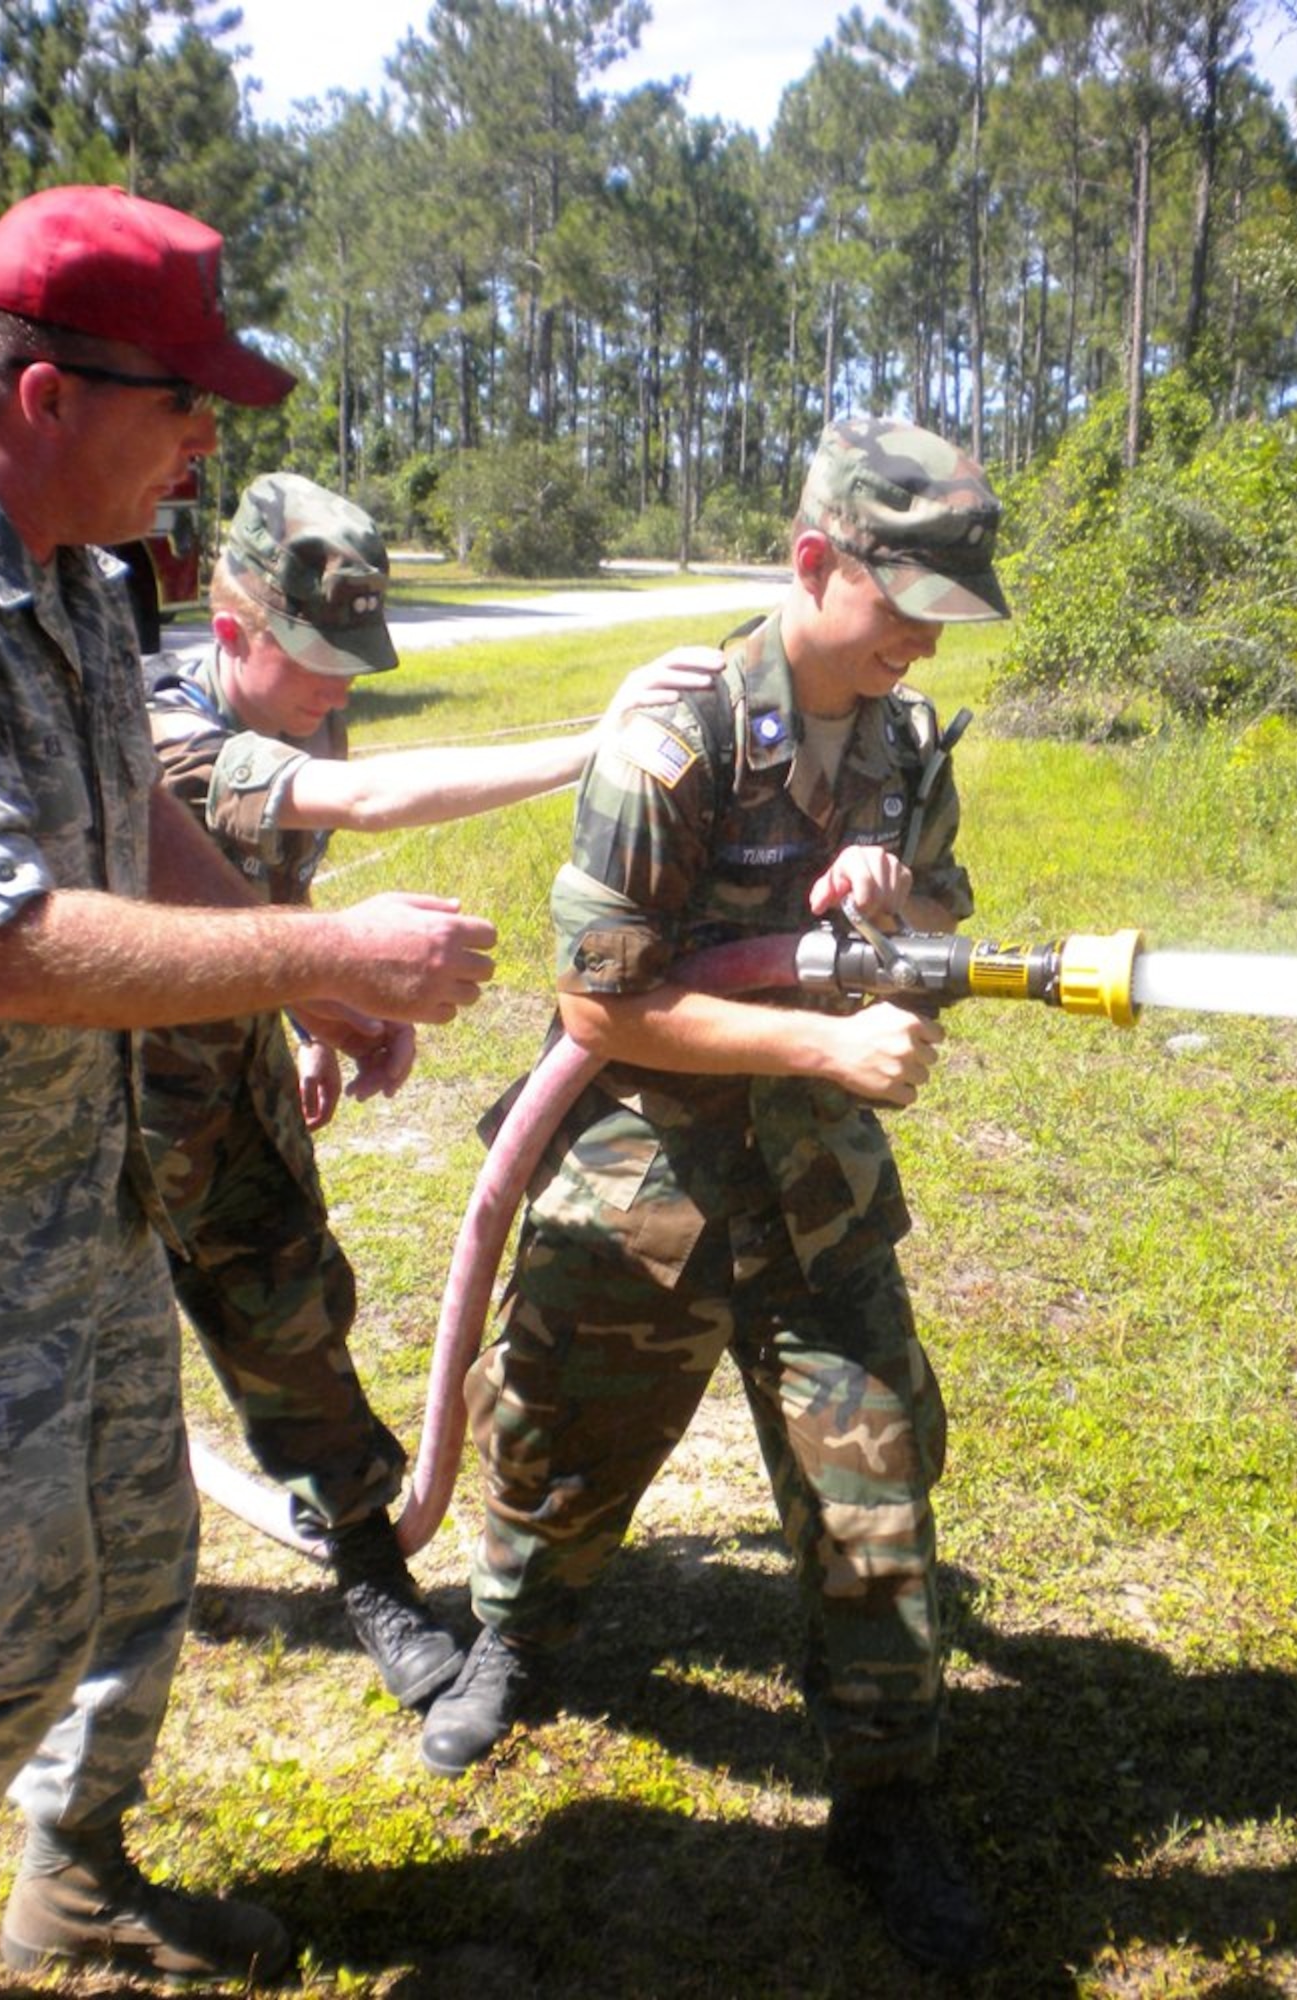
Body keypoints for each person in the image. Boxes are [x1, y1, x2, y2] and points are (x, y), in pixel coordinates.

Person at [0, 184, 495, 1984]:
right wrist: (320, 954)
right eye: (187, 403)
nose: (209, 445)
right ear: (50, 395)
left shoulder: (73, 575)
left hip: (84, 1192)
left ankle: (75, 1878)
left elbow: (135, 813)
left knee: (140, 1577)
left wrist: (283, 995)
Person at [419, 417, 1008, 1978]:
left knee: (870, 1498)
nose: (921, 640)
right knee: (555, 1448)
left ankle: (886, 1802)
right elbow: (604, 1006)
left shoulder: (905, 740)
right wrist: (824, 1033)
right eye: (905, 604)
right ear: (815, 563)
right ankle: (514, 1648)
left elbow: (946, 913)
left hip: (815, 1189)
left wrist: (900, 901)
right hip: (643, 1178)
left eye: (948, 613)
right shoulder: (667, 747)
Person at [141, 469, 724, 1711]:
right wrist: (593, 744)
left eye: (354, 660)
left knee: (291, 1313)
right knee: (93, 1365)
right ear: (233, 632)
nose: (339, 690)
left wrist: (312, 1014)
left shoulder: (305, 711)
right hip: (86, 1106)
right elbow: (352, 803)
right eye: (317, 660)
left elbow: (260, 889)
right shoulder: (158, 728)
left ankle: (368, 1572)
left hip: (218, 1086)